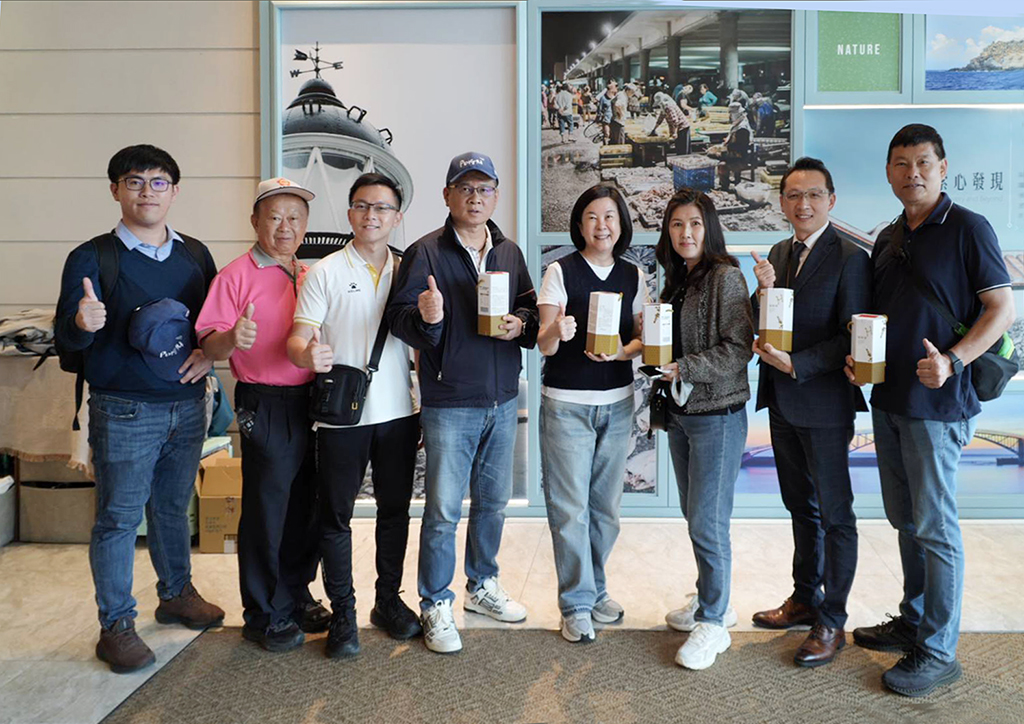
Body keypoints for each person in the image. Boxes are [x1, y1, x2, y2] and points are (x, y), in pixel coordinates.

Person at [845, 124, 1015, 697]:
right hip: (890, 400)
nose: (912, 173)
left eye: (923, 162)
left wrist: (954, 360)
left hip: (939, 406)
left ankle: (939, 652)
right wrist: (859, 362)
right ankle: (914, 620)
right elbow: (880, 318)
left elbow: (1001, 308)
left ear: (943, 168)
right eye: (901, 163)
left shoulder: (968, 227)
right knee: (906, 520)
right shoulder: (889, 237)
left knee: (936, 527)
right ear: (888, 172)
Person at [54, 144, 224, 674]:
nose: (147, 192)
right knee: (119, 519)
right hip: (123, 408)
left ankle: (175, 594)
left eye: (158, 182)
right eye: (134, 182)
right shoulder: (91, 257)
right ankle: (117, 626)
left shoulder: (195, 255)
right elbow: (65, 345)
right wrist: (80, 324)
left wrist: (208, 355)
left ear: (174, 191)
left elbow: (210, 325)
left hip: (187, 405)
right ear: (115, 190)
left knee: (172, 509)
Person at [386, 152, 539, 654]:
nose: (476, 198)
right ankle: (435, 601)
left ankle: (482, 584)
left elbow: (530, 310)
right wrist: (427, 317)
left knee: (492, 503)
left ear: (496, 195)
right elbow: (400, 320)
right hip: (450, 400)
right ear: (448, 195)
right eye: (465, 188)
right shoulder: (424, 252)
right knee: (443, 511)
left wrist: (521, 325)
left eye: (484, 189)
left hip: (502, 398)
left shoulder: (509, 251)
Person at [288, 172, 422, 659]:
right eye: (363, 206)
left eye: (382, 208)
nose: (372, 215)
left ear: (397, 217)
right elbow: (297, 337)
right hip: (341, 418)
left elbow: (423, 345)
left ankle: (388, 600)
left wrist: (426, 402)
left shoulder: (410, 272)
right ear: (349, 214)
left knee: (395, 512)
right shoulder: (324, 272)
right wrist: (307, 355)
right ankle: (343, 611)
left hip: (399, 413)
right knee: (335, 516)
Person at [748, 158, 872, 667]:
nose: (804, 204)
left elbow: (852, 333)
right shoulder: (779, 253)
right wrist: (761, 291)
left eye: (814, 195)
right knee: (800, 506)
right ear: (781, 202)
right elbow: (768, 318)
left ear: (831, 200)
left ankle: (833, 619)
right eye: (794, 195)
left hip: (823, 403)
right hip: (781, 401)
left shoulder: (851, 258)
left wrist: (797, 364)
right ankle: (805, 599)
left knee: (836, 515)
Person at [195, 177, 327, 653]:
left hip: (313, 401)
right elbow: (209, 345)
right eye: (274, 217)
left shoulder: (309, 274)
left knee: (306, 506)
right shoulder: (235, 276)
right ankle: (263, 613)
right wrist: (232, 338)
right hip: (265, 401)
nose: (285, 226)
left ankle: (295, 594)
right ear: (255, 221)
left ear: (306, 225)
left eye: (295, 217)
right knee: (266, 510)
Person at [536, 185, 646, 644]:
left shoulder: (633, 274)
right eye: (593, 217)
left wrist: (623, 352)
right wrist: (557, 330)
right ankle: (576, 603)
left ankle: (596, 588)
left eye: (610, 217)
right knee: (570, 510)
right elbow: (543, 344)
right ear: (579, 224)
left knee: (606, 510)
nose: (602, 226)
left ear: (621, 224)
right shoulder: (560, 271)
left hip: (617, 403)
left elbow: (642, 338)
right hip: (566, 404)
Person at [656, 188, 753, 671]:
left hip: (718, 416)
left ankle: (714, 621)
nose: (685, 232)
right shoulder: (678, 280)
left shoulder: (726, 277)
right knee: (696, 516)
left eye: (694, 223)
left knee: (709, 522)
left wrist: (685, 368)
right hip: (682, 414)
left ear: (709, 228)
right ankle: (710, 598)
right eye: (677, 224)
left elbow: (739, 349)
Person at [650, 91, 691, 156]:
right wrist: (654, 129)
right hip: (677, 127)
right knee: (679, 148)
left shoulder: (669, 107)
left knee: (682, 148)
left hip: (683, 127)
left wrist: (675, 133)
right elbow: (660, 119)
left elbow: (675, 121)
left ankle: (685, 160)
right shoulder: (664, 108)